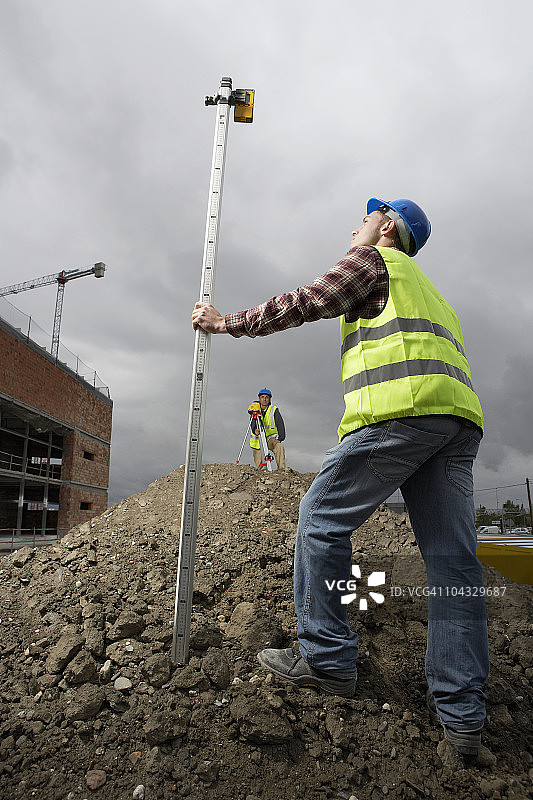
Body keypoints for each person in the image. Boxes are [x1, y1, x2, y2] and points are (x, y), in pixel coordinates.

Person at [192, 197, 489, 757]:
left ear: (387, 226)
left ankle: (325, 658)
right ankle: (464, 718)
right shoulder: (431, 292)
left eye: (367, 217)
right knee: (453, 565)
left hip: (400, 413)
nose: (357, 225)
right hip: (456, 423)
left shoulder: (374, 262)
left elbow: (305, 301)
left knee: (319, 521)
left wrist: (224, 322)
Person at [250, 388, 286, 469]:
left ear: (269, 399)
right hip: (257, 441)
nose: (264, 399)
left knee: (279, 446)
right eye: (262, 397)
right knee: (259, 467)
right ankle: (261, 474)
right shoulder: (254, 409)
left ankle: (282, 470)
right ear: (259, 399)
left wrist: (280, 438)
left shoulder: (273, 410)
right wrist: (254, 430)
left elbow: (280, 424)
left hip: (270, 439)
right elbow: (252, 422)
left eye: (267, 397)